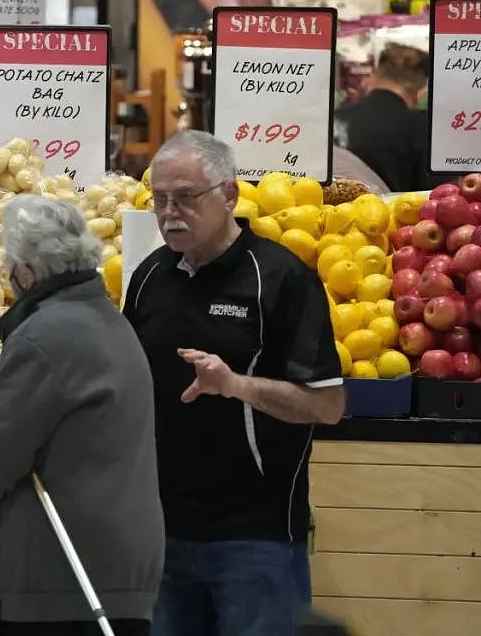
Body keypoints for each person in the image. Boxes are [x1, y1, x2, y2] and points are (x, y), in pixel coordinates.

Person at [0, 195, 164, 636]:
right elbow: (34, 412)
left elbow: (5, 447)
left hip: (65, 571)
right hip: (117, 566)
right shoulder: (104, 320)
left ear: (28, 270)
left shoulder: (45, 333)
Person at [123, 131, 345, 636]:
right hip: (162, 533)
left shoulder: (282, 278)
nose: (170, 212)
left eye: (185, 196)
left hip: (256, 537)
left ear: (229, 195)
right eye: (160, 199)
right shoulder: (147, 278)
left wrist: (235, 385)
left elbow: (328, 404)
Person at [334, 43, 433, 192]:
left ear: (370, 80)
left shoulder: (335, 118)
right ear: (420, 94)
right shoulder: (425, 129)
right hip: (393, 213)